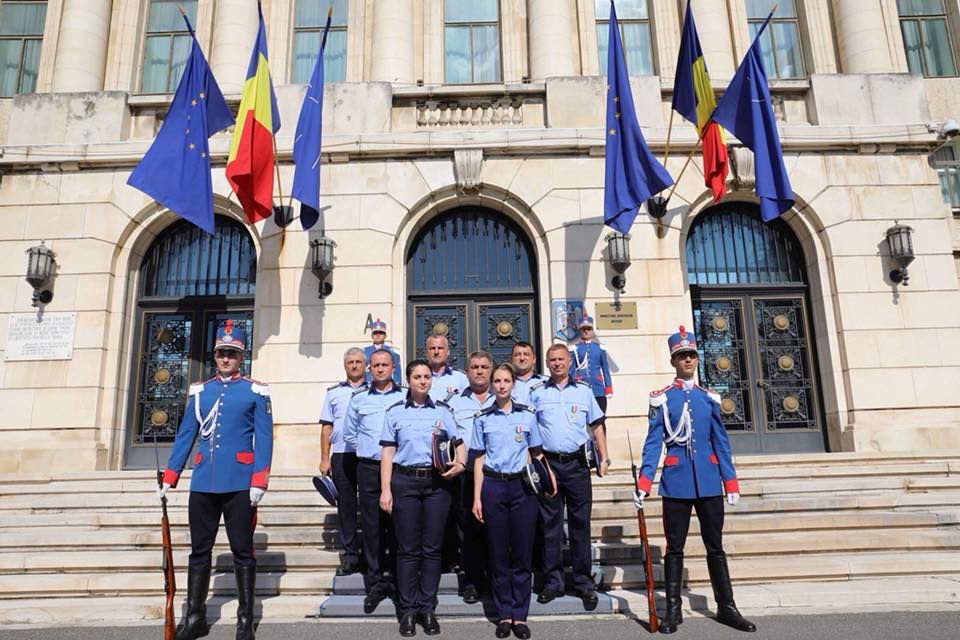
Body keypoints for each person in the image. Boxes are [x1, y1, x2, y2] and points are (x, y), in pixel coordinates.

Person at [635, 326, 756, 634]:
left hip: (708, 480)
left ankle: (727, 607)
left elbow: (721, 442)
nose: (687, 360)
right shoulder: (662, 399)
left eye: (690, 355)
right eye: (681, 356)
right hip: (676, 482)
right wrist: (644, 481)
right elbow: (653, 444)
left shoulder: (710, 398)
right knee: (674, 548)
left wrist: (730, 482)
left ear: (696, 359)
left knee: (715, 546)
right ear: (674, 361)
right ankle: (673, 611)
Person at [156, 320, 272, 640]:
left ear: (241, 357)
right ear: (215, 355)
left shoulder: (255, 390)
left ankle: (245, 620)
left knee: (242, 551)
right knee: (199, 550)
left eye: (232, 354)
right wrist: (171, 474)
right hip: (204, 481)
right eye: (221, 353)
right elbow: (185, 436)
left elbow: (264, 439)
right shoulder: (200, 391)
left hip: (239, 482)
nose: (225, 359)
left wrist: (259, 480)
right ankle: (195, 617)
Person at [380, 359, 467, 637]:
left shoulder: (442, 411)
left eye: (426, 376)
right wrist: (385, 489)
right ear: (408, 380)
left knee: (431, 549)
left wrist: (461, 464)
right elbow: (387, 453)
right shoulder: (394, 412)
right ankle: (407, 611)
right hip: (404, 482)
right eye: (417, 376)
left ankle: (427, 609)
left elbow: (460, 443)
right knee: (407, 550)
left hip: (436, 485)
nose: (422, 381)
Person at [471, 363, 553, 640]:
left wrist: (549, 481)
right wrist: (476, 498)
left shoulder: (528, 416)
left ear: (513, 385)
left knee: (521, 551)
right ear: (492, 385)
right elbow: (479, 459)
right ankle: (503, 613)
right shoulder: (482, 418)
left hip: (522, 488)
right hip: (493, 485)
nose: (502, 385)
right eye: (498, 381)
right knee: (497, 552)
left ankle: (520, 614)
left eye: (507, 380)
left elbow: (537, 454)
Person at [529, 344, 610, 607]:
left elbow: (597, 427)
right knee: (550, 527)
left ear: (569, 362)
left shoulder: (585, 392)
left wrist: (604, 457)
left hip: (577, 466)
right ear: (546, 362)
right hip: (549, 465)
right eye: (552, 360)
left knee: (580, 525)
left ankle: (583, 583)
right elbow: (530, 429)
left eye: (561, 359)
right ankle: (553, 583)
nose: (557, 364)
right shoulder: (537, 394)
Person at [343, 349, 405, 613]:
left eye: (385, 364)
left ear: (393, 367)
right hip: (368, 468)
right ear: (369, 368)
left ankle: (402, 583)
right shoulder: (358, 399)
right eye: (376, 365)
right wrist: (371, 451)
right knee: (372, 528)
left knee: (401, 526)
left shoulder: (406, 396)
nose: (380, 369)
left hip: (401, 470)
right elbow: (349, 433)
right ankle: (375, 583)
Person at [447, 351, 496, 603]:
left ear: (491, 370)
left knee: (497, 528)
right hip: (465, 473)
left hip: (496, 474)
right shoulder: (454, 402)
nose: (479, 371)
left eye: (484, 367)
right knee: (468, 530)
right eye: (474, 367)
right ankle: (472, 581)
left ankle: (496, 579)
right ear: (466, 372)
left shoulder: (503, 399)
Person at [318, 347, 368, 576]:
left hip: (367, 456)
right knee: (346, 508)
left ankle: (370, 556)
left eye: (358, 362)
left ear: (365, 365)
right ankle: (350, 556)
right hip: (341, 455)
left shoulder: (375, 391)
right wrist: (324, 458)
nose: (355, 366)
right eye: (351, 362)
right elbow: (326, 427)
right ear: (345, 365)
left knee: (370, 508)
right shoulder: (333, 393)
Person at [568, 316, 613, 423]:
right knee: (582, 421)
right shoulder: (575, 349)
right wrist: (571, 387)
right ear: (580, 331)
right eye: (584, 329)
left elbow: (605, 370)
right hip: (581, 388)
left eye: (589, 329)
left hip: (598, 390)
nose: (586, 331)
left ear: (592, 330)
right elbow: (572, 370)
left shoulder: (600, 348)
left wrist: (608, 388)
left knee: (600, 420)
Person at [425, 333, 469, 404]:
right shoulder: (417, 378)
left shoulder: (461, 378)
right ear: (426, 353)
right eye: (432, 348)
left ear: (448, 352)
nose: (436, 352)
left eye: (440, 348)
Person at [364, 318, 402, 385]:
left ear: (385, 336)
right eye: (375, 333)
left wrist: (397, 386)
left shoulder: (394, 351)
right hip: (369, 385)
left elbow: (396, 372)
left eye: (381, 333)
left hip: (388, 385)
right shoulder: (364, 352)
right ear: (372, 336)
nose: (378, 335)